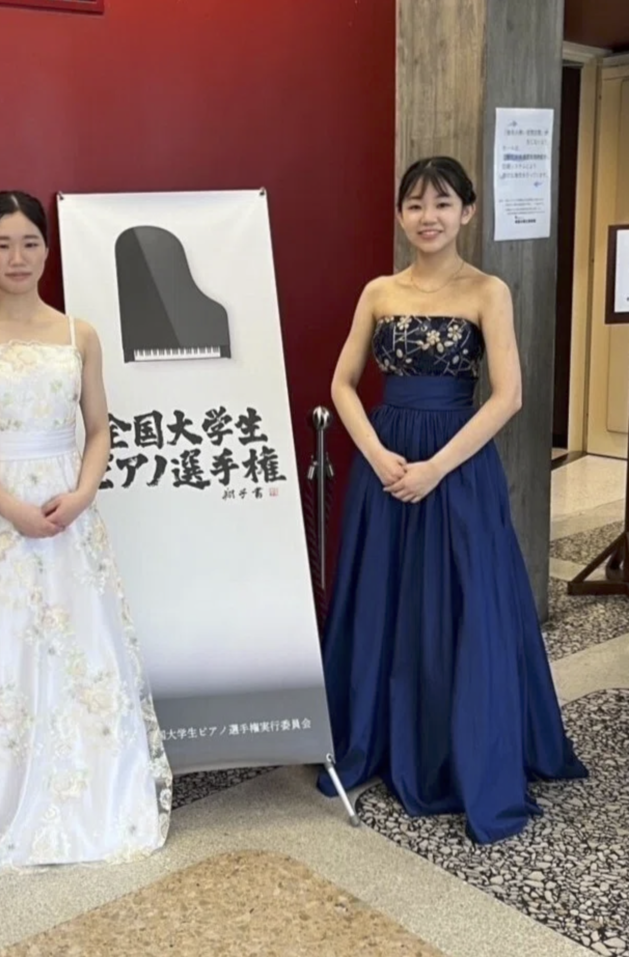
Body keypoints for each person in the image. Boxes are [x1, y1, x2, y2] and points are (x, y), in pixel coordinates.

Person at [317, 156, 587, 843]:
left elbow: (510, 395)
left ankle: (461, 751)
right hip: (387, 462)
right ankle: (380, 739)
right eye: (414, 204)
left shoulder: (488, 290)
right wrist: (378, 456)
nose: (428, 217)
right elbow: (344, 383)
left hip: (457, 464)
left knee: (462, 603)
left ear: (468, 212)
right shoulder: (379, 290)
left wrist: (435, 466)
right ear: (401, 214)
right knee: (388, 599)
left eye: (442, 203)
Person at [0, 190, 171, 874]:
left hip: (71, 512)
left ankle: (99, 790)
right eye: (2, 244)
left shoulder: (78, 332)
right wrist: (10, 507)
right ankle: (0, 794)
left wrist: (84, 490)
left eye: (30, 242)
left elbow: (98, 427)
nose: (17, 256)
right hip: (1, 520)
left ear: (48, 250)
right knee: (8, 650)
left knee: (83, 646)